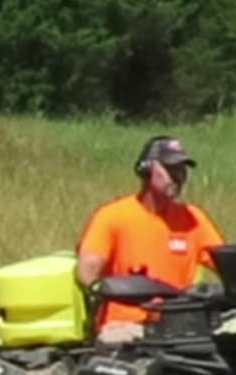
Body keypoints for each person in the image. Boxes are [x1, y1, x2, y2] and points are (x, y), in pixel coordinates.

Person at [76, 134, 224, 338]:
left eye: (182, 170)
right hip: (124, 327)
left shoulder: (193, 218)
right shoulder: (113, 216)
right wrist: (120, 290)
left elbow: (226, 265)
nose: (178, 177)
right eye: (170, 169)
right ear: (146, 170)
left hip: (178, 327)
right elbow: (87, 274)